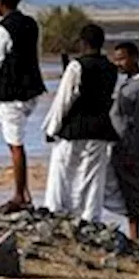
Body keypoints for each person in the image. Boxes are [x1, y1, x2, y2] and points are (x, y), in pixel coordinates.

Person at [42, 23, 120, 222]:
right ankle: (90, 218)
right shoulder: (111, 69)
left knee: (62, 173)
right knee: (93, 177)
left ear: (83, 43)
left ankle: (57, 213)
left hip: (74, 128)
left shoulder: (76, 67)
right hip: (100, 129)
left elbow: (64, 101)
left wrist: (52, 129)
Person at [0, 0, 47, 213]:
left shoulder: (2, 30)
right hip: (31, 91)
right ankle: (24, 193)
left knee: (15, 144)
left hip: (10, 94)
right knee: (16, 141)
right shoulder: (31, 24)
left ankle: (21, 195)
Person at [104, 41, 139, 240]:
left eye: (122, 59)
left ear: (134, 58)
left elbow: (135, 121)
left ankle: (135, 236)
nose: (118, 64)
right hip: (124, 147)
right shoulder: (130, 85)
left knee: (133, 192)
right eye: (116, 59)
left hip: (133, 149)